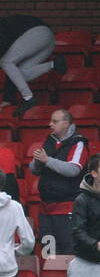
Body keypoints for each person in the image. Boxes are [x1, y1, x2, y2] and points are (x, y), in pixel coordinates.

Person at [0, 16, 67, 116]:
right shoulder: (1, 46)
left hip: (38, 33)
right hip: (49, 41)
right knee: (19, 73)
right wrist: (7, 99)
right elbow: (11, 74)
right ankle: (55, 64)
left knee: (5, 62)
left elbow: (1, 39)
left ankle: (28, 98)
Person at [28, 109, 88, 256]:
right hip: (46, 209)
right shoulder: (49, 140)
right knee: (49, 254)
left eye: (55, 121)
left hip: (67, 209)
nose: (50, 124)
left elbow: (74, 169)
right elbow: (35, 170)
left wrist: (46, 160)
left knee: (69, 253)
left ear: (66, 123)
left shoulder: (78, 142)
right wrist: (37, 161)